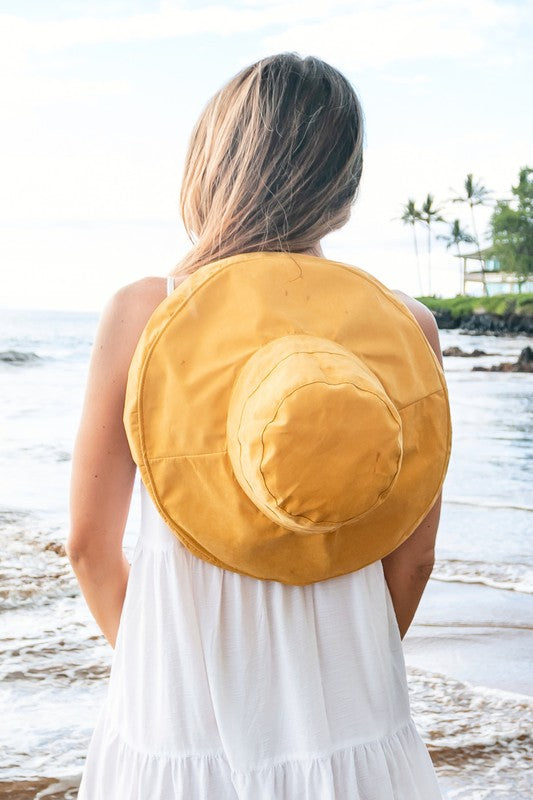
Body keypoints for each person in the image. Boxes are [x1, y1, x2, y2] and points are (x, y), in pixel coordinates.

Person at [68, 52, 448, 798]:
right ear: (343, 183)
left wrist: (155, 671)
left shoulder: (146, 312)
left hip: (176, 719)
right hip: (352, 717)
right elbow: (412, 561)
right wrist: (345, 675)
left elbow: (88, 545)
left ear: (213, 163)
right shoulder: (405, 328)